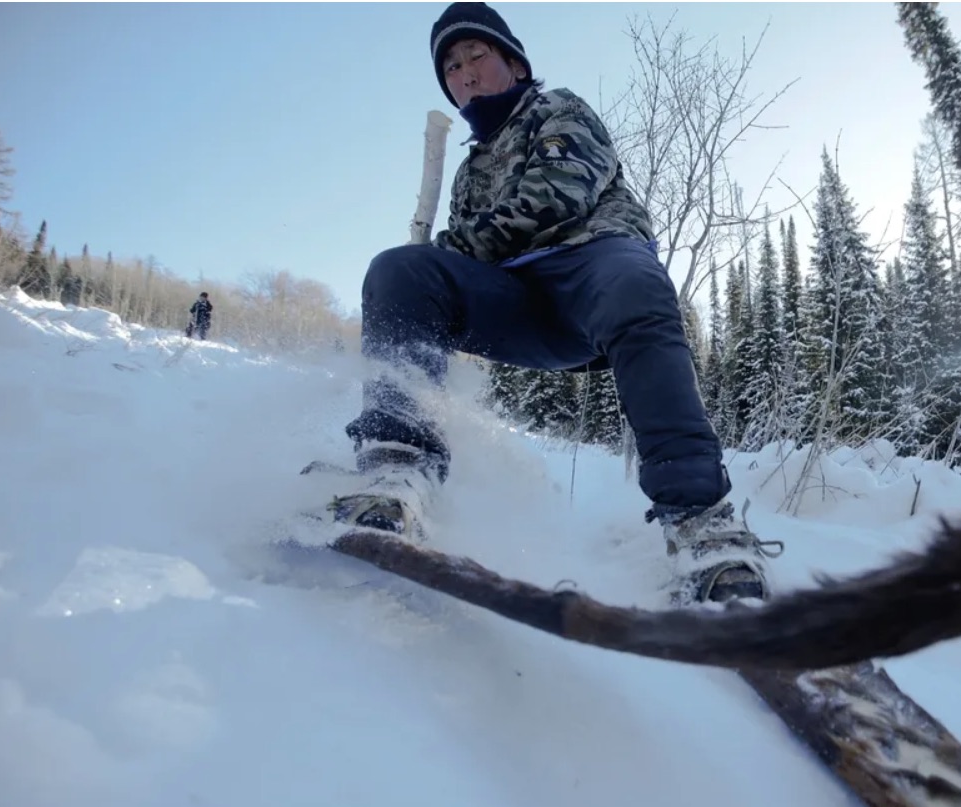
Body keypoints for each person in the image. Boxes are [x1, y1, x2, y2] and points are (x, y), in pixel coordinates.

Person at [330, 2, 779, 604]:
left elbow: (557, 195)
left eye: (476, 56)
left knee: (634, 282)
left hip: (590, 270)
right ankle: (396, 465)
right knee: (398, 271)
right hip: (516, 303)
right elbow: (463, 263)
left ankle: (701, 520)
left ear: (513, 63)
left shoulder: (556, 109)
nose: (464, 74)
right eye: (451, 68)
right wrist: (431, 266)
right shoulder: (468, 175)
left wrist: (455, 245)